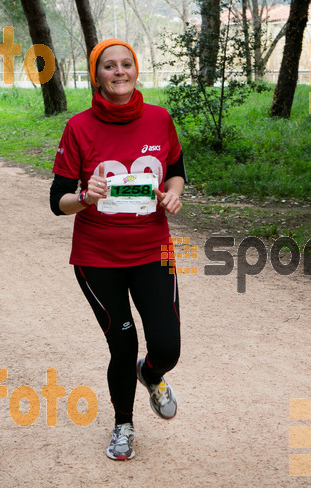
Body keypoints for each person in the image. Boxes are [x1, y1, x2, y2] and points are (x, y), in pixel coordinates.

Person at [49, 39, 186, 461]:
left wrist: (173, 195)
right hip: (98, 258)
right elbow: (57, 201)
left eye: (127, 64)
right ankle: (123, 425)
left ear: (136, 70)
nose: (120, 71)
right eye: (109, 66)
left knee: (167, 347)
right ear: (97, 75)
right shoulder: (79, 128)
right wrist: (85, 197)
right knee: (122, 344)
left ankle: (152, 375)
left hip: (153, 250)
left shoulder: (160, 120)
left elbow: (177, 172)